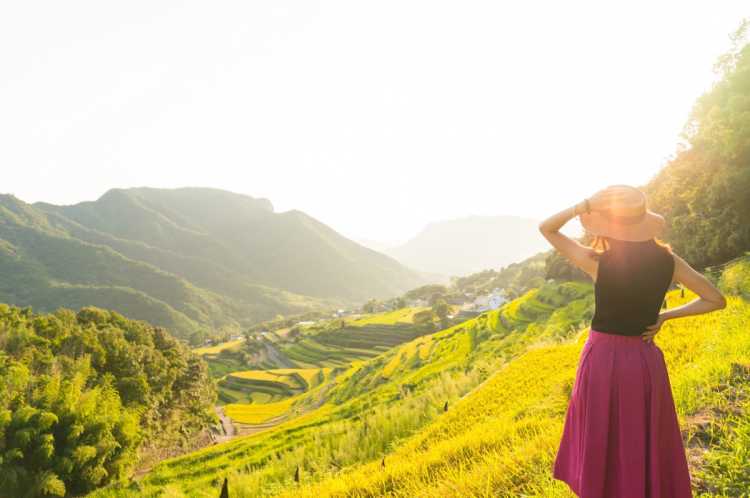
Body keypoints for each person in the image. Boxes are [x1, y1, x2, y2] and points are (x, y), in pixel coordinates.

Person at [538, 185, 726, 498]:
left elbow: (547, 228)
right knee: (642, 435)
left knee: (602, 433)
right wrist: (665, 317)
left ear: (608, 225)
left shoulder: (599, 261)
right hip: (643, 357)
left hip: (601, 358)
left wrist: (583, 205)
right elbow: (715, 299)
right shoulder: (668, 261)